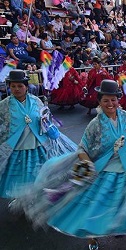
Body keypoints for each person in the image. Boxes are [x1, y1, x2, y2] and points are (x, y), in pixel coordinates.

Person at [11, 80, 126, 249]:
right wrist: (87, 163)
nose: (110, 104)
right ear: (99, 101)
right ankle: (92, 236)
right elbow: (82, 148)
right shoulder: (94, 125)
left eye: (113, 99)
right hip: (104, 170)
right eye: (106, 100)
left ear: (118, 100)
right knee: (96, 205)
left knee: (124, 203)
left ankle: (118, 228)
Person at [0, 70, 76, 198]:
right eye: (13, 86)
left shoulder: (36, 101)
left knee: (39, 173)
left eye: (20, 86)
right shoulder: (4, 105)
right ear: (9, 87)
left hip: (37, 142)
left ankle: (36, 195)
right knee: (20, 175)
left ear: (26, 86)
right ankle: (22, 198)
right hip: (17, 145)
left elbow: (46, 118)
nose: (16, 89)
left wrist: (48, 126)